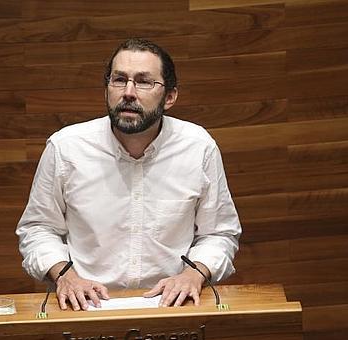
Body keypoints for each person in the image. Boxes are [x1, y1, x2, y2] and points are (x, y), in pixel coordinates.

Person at [16, 38, 241, 311]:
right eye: (119, 79)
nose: (129, 92)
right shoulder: (66, 148)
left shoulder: (198, 147)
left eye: (144, 81)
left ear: (170, 97)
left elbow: (219, 233)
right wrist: (65, 276)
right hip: (85, 306)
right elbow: (38, 228)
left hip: (173, 307)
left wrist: (193, 274)